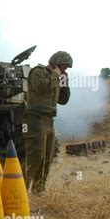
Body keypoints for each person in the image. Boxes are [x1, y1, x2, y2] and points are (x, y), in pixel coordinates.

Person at [22, 51, 72, 194]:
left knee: (47, 159)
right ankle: (19, 191)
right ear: (55, 63)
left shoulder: (56, 77)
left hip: (49, 120)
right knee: (35, 157)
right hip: (34, 119)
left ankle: (39, 191)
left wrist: (64, 82)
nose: (64, 70)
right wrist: (56, 76)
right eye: (64, 67)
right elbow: (40, 87)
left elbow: (63, 100)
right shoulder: (38, 71)